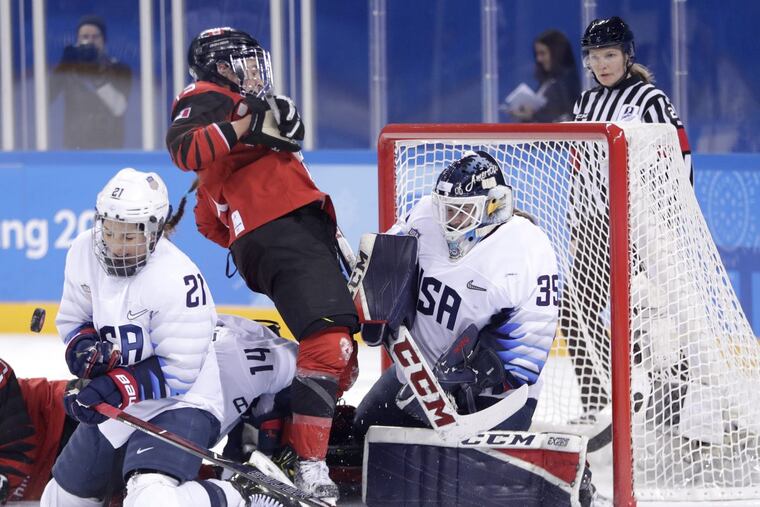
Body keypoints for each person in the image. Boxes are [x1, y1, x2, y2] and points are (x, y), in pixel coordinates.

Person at [166, 27, 359, 501]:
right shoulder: (206, 94)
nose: (255, 71)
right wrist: (245, 127)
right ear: (221, 68)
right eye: (244, 62)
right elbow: (184, 148)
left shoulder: (236, 120)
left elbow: (211, 224)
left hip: (289, 230)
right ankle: (306, 464)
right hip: (281, 230)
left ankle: (273, 440)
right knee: (330, 347)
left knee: (339, 363)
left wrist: (238, 210)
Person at [39, 167, 228, 507]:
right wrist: (83, 351)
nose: (116, 246)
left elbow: (181, 370)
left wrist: (115, 386)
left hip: (181, 403)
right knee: (60, 499)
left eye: (129, 237)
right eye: (110, 232)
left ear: (154, 232)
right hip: (120, 399)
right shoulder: (83, 252)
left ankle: (234, 496)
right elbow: (73, 319)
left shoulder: (177, 278)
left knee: (150, 500)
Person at [353, 151, 559, 437]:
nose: (448, 219)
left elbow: (529, 349)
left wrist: (468, 378)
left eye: (460, 211)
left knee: (461, 476)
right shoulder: (425, 215)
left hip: (494, 400)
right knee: (358, 436)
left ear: (492, 207)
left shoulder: (526, 249)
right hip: (416, 379)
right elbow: (387, 258)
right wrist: (376, 298)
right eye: (445, 208)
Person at [561, 16, 694, 420]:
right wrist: (575, 216)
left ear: (627, 55)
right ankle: (602, 398)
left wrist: (670, 216)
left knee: (645, 314)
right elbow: (580, 166)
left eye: (609, 54)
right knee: (574, 309)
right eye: (594, 56)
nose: (601, 64)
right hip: (592, 224)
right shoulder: (584, 104)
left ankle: (670, 395)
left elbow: (681, 157)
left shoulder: (651, 100)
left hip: (643, 224)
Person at [50, 15, 132, 149]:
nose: (90, 41)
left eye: (95, 37)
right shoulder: (69, 69)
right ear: (77, 40)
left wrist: (98, 79)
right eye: (85, 37)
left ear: (104, 40)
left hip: (110, 147)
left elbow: (119, 108)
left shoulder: (119, 69)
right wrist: (62, 66)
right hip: (75, 148)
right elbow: (46, 99)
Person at [509, 29, 581, 123]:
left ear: (557, 53)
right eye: (537, 54)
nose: (538, 59)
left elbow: (567, 117)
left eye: (542, 53)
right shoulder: (547, 81)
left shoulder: (566, 84)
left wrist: (532, 115)